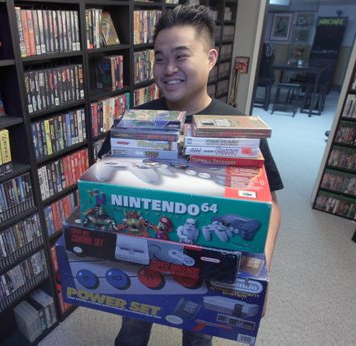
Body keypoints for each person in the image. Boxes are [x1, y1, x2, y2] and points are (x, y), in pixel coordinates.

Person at [99, 5, 284, 346]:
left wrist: (261, 275)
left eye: (181, 56)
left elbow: (270, 205)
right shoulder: (135, 121)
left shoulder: (239, 128)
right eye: (159, 58)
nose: (168, 69)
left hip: (209, 261)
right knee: (132, 330)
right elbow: (101, 182)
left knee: (198, 335)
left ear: (211, 58)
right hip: (141, 254)